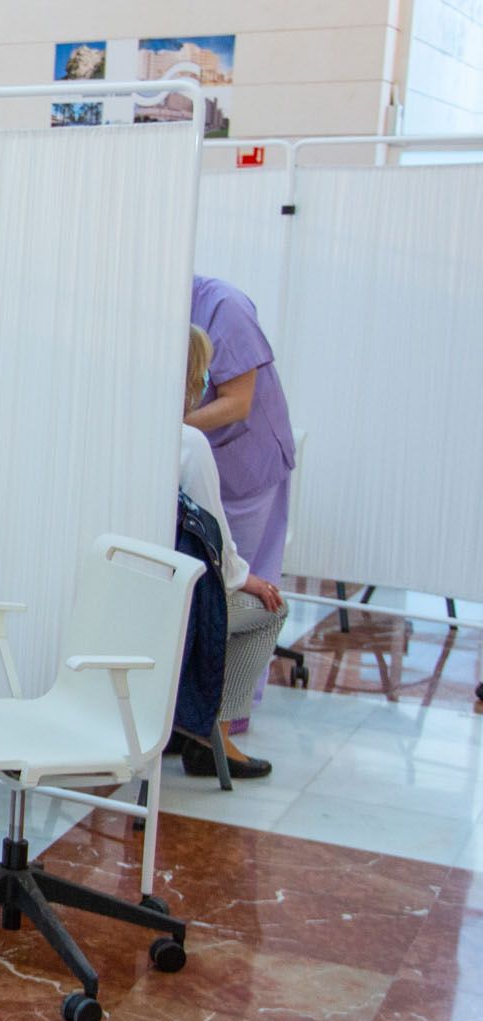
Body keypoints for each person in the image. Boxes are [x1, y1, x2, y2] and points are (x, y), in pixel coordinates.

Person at [176, 326, 288, 778]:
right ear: (192, 379)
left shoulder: (115, 434)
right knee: (268, 611)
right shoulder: (189, 445)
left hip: (110, 598)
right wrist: (249, 580)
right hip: (169, 610)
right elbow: (213, 538)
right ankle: (212, 737)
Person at [189, 274, 296, 728]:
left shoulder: (223, 307)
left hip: (246, 464)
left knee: (245, 588)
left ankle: (223, 720)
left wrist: (173, 424)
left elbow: (237, 402)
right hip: (201, 459)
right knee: (216, 580)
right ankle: (192, 715)